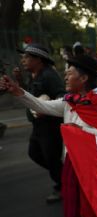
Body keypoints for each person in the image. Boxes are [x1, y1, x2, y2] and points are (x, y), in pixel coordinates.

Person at [0, 55, 97, 217]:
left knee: (96, 214)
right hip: (74, 168)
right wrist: (17, 91)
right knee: (75, 212)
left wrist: (81, 133)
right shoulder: (70, 102)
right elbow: (42, 106)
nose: (65, 77)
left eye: (69, 73)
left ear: (84, 78)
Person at [18, 44, 66, 203]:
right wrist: (18, 81)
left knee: (51, 157)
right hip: (38, 125)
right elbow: (29, 94)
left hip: (50, 125)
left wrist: (46, 106)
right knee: (34, 153)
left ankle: (62, 186)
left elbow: (62, 96)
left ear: (38, 59)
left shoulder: (49, 75)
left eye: (26, 57)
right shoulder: (33, 75)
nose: (23, 60)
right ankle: (66, 177)